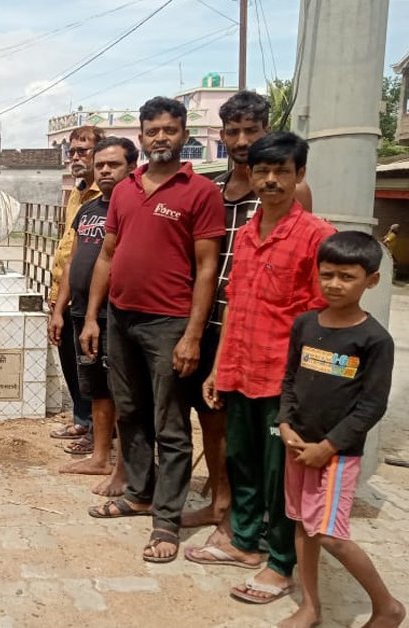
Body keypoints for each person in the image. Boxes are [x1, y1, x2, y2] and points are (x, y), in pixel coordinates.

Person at [182, 132, 336, 604]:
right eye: (262, 171)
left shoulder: (317, 236)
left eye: (281, 171)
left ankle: (281, 564)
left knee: (279, 474)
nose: (271, 180)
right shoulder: (247, 233)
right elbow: (234, 304)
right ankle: (243, 542)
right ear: (250, 175)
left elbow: (324, 318)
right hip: (240, 370)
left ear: (299, 175)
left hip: (284, 380)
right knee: (241, 461)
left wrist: (308, 387)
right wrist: (218, 368)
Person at [80, 97, 224, 563]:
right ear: (141, 137)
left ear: (185, 135)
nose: (161, 137)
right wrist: (93, 317)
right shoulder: (125, 189)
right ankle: (139, 494)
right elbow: (107, 255)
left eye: (169, 129)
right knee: (129, 412)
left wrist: (193, 335)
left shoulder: (200, 192)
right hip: (121, 318)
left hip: (169, 323)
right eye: (153, 130)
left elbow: (207, 268)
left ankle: (166, 520)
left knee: (171, 424)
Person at [183, 91, 314, 539]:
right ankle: (220, 503)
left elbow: (299, 262)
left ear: (266, 130)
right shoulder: (216, 189)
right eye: (233, 132)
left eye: (250, 131)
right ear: (221, 135)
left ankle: (258, 523)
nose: (241, 141)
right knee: (214, 420)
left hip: (264, 328)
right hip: (216, 319)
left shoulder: (288, 189)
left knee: (261, 429)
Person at [275, 232, 404, 628]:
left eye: (347, 277)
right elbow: (290, 379)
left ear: (372, 281)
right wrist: (284, 423)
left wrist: (328, 446)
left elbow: (372, 406)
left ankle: (387, 607)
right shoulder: (305, 324)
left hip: (336, 456)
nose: (334, 284)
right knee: (303, 525)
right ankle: (310, 607)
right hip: (298, 446)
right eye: (327, 274)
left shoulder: (374, 339)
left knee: (330, 534)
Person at [49, 137, 136, 495]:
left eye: (113, 165)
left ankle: (126, 464)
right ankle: (100, 456)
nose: (105, 171)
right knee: (96, 387)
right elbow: (73, 260)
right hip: (81, 309)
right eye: (100, 165)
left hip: (115, 312)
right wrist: (59, 308)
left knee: (122, 388)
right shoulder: (87, 209)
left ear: (132, 166)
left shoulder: (135, 207)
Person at [48, 126, 104, 457]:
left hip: (93, 296)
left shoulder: (109, 194)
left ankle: (99, 431)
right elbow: (69, 248)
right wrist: (57, 298)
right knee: (70, 359)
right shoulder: (76, 193)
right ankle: (82, 419)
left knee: (93, 362)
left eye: (83, 150)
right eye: (71, 151)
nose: (75, 157)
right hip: (65, 289)